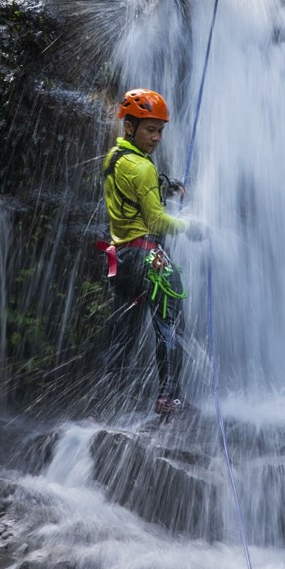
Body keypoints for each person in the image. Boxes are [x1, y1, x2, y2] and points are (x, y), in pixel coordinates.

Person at [101, 88, 203, 415]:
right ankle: (169, 397)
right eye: (150, 129)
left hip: (119, 258)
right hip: (149, 256)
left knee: (123, 332)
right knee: (172, 324)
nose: (157, 137)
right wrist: (193, 228)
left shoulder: (115, 159)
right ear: (129, 127)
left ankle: (102, 405)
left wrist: (165, 187)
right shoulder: (142, 168)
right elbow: (156, 218)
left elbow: (134, 195)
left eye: (160, 130)